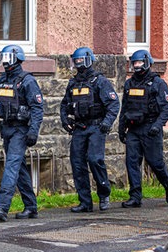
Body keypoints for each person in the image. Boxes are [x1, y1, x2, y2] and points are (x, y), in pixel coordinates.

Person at [0, 45, 44, 222]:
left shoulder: (27, 81)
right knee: (19, 168)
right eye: (3, 58)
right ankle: (31, 207)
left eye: (8, 58)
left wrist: (33, 132)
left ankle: (2, 207)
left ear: (16, 58)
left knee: (11, 166)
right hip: (7, 129)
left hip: (21, 130)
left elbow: (37, 108)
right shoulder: (2, 80)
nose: (5, 62)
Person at [60, 47, 120, 213]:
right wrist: (65, 120)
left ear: (87, 60)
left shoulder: (99, 81)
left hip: (96, 127)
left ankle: (103, 194)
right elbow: (64, 105)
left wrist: (107, 123)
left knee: (95, 160)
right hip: (79, 128)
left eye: (80, 60)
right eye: (75, 60)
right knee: (77, 163)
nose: (78, 63)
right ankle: (85, 202)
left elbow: (114, 104)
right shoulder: (73, 83)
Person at [118, 50, 168, 208]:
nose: (137, 66)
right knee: (132, 162)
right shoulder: (129, 84)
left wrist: (157, 125)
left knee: (155, 163)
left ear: (147, 62)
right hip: (134, 129)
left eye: (139, 63)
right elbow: (125, 107)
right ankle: (135, 196)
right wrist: (121, 129)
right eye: (134, 63)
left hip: (151, 128)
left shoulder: (158, 83)